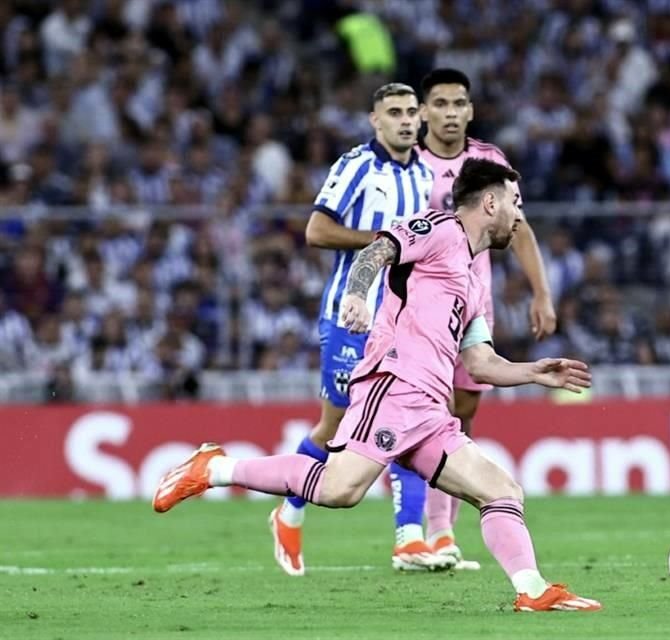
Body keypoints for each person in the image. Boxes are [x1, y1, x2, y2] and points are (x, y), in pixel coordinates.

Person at [153, 159, 602, 613]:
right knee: (339, 490)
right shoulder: (440, 229)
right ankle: (213, 469)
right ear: (491, 201)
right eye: (515, 202)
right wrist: (356, 295)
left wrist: (533, 372)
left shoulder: (472, 278)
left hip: (430, 410)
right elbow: (376, 252)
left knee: (502, 491)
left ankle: (532, 589)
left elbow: (480, 363)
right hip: (393, 386)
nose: (519, 216)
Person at [271, 82, 451, 576]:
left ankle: (409, 539)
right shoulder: (356, 166)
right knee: (334, 429)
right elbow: (316, 230)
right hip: (350, 318)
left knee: (407, 414)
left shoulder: (426, 174)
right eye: (394, 112)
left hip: (404, 323)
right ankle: (288, 510)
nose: (406, 120)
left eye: (412, 112)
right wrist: (381, 242)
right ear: (375, 120)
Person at [416, 68, 556, 567]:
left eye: (459, 103)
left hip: (474, 304)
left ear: (470, 110)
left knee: (462, 413)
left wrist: (541, 293)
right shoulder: (410, 164)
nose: (451, 113)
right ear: (424, 110)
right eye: (441, 103)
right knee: (427, 411)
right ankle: (426, 531)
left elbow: (518, 228)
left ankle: (439, 529)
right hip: (421, 307)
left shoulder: (489, 160)